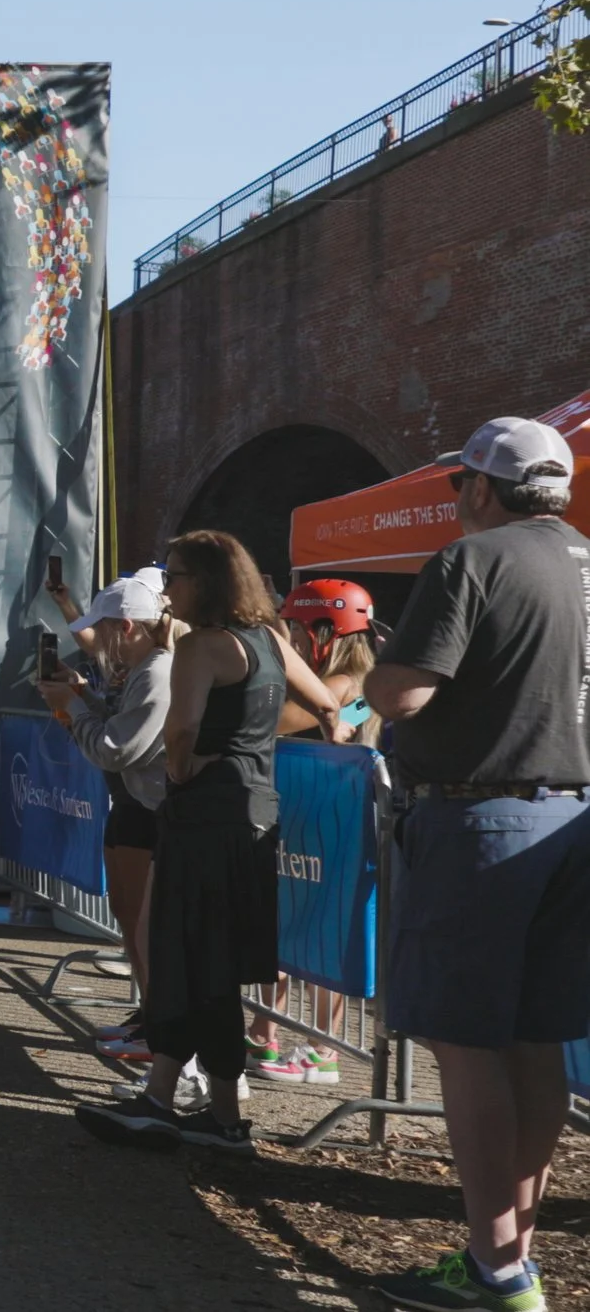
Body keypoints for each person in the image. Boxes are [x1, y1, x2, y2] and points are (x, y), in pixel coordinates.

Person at [364, 417, 590, 1312]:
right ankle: (508, 1259)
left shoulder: (474, 560)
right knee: (537, 1043)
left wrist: (376, 677)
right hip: (573, 818)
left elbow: (404, 692)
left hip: (482, 820)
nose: (457, 499)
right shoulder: (585, 562)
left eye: (459, 484)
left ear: (482, 487)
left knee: (466, 1046)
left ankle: (498, 1272)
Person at [76, 530, 340, 1155]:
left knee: (182, 957)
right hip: (255, 814)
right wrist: (258, 747)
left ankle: (201, 1113)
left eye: (174, 577)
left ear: (206, 582)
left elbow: (182, 731)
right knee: (211, 968)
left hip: (203, 817)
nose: (167, 592)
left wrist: (184, 767)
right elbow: (330, 705)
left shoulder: (201, 646)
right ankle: (189, 1108)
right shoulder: (270, 639)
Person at [246, 578, 382, 1086]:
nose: (294, 644)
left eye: (297, 634)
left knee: (317, 936)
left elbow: (271, 722)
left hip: (329, 827)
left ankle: (323, 1050)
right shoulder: (354, 681)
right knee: (283, 931)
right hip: (310, 822)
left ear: (324, 633)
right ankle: (264, 1031)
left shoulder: (348, 684)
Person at [37, 574, 175, 1060]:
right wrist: (78, 698)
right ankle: (152, 1020)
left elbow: (117, 749)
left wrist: (73, 707)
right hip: (138, 804)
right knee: (132, 919)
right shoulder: (143, 668)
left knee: (146, 929)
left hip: (154, 810)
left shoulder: (157, 671)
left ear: (127, 627)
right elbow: (118, 731)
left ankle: (162, 1031)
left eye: (104, 628)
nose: (97, 640)